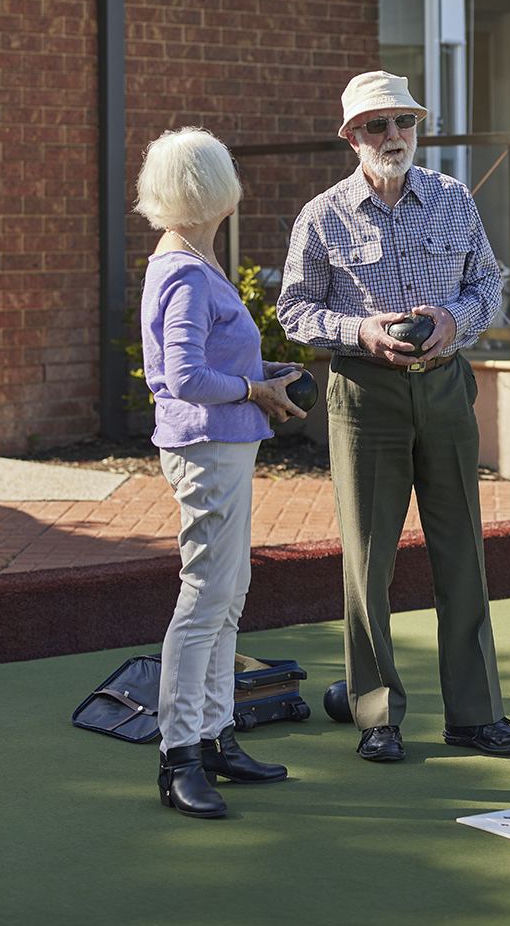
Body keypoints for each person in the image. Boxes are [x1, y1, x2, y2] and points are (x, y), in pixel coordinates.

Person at [277, 71, 510, 764]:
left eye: (403, 123)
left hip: (447, 391)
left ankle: (475, 716)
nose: (393, 137)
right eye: (376, 126)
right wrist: (361, 332)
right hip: (366, 400)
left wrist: (458, 317)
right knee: (368, 561)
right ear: (350, 137)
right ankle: (378, 717)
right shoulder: (322, 215)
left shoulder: (452, 199)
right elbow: (294, 310)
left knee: (463, 556)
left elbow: (491, 284)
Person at [136, 127, 308, 819]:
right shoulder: (182, 270)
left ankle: (214, 736)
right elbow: (181, 378)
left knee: (227, 594)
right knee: (206, 598)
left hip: (222, 444)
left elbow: (206, 365)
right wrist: (252, 391)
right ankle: (179, 756)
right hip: (207, 447)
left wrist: (261, 376)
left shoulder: (191, 266)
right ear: (215, 191)